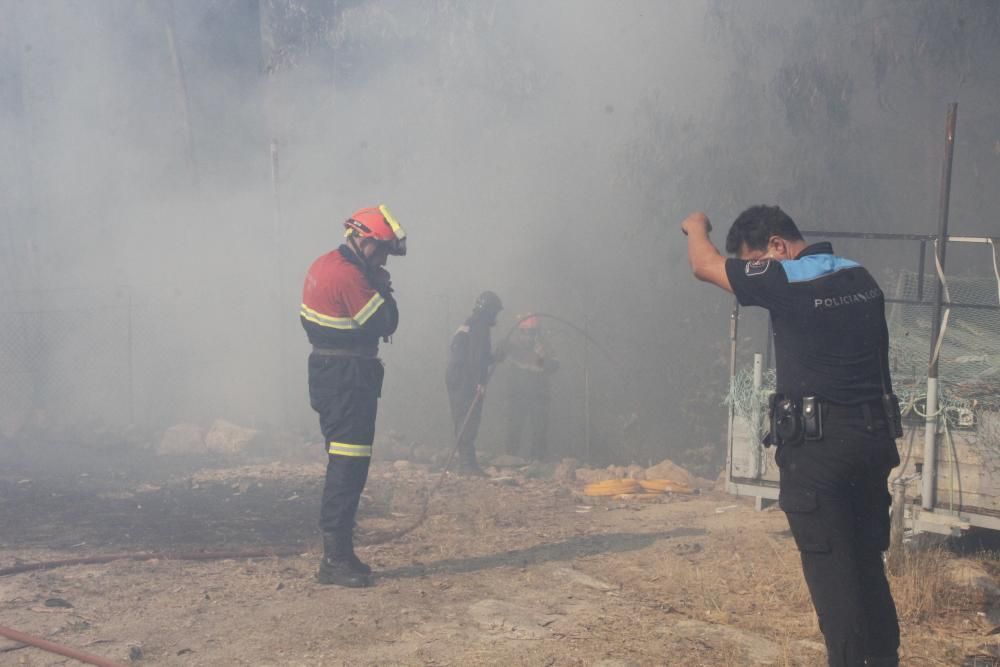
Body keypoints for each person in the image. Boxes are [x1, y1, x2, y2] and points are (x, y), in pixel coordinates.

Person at [681, 206, 900, 667]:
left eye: (757, 259)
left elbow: (704, 264)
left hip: (819, 456)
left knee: (835, 587)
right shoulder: (861, 278)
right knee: (866, 572)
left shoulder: (787, 279)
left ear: (777, 246)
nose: (756, 269)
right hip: (872, 441)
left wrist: (695, 226)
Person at [300, 204, 406, 587]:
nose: (383, 258)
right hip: (347, 379)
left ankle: (341, 553)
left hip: (334, 373)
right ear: (363, 240)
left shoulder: (324, 264)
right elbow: (384, 322)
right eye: (381, 250)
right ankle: (335, 560)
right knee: (348, 467)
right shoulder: (349, 278)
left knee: (346, 464)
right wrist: (383, 289)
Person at [445, 291, 503, 476]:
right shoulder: (480, 326)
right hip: (466, 379)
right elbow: (476, 358)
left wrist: (495, 358)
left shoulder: (471, 322)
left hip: (458, 377)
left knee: (463, 419)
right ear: (490, 310)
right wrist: (480, 382)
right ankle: (467, 465)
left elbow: (476, 355)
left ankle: (467, 463)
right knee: (468, 420)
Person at [505, 314, 558, 461]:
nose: (528, 336)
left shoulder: (544, 346)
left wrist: (541, 358)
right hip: (517, 394)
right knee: (514, 426)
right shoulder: (512, 345)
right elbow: (498, 357)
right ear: (519, 331)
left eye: (532, 332)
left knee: (540, 428)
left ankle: (538, 459)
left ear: (537, 332)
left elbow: (553, 366)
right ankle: (510, 457)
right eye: (525, 332)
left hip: (539, 395)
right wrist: (502, 347)